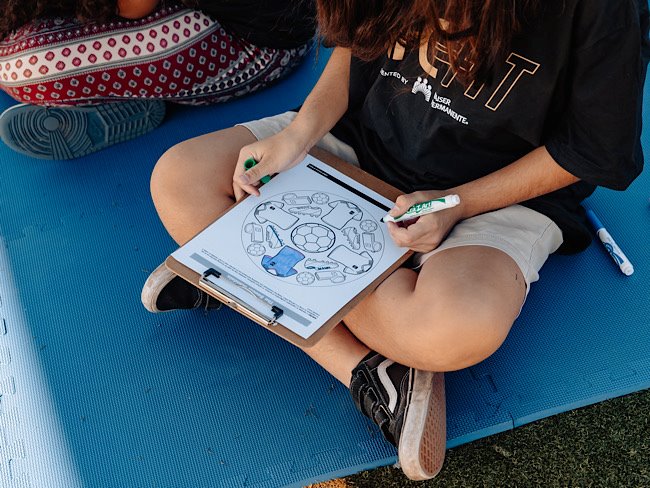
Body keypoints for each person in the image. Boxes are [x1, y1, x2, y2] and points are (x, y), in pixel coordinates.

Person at [140, 0, 649, 480]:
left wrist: (458, 203)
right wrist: (298, 135)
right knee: (179, 178)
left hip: (499, 192)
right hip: (361, 139)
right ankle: (365, 368)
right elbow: (355, 40)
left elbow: (588, 152)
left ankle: (245, 277)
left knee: (453, 325)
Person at [0, 0, 315, 159]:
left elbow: (135, 6)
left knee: (22, 65)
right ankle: (123, 93)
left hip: (263, 43)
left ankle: (123, 95)